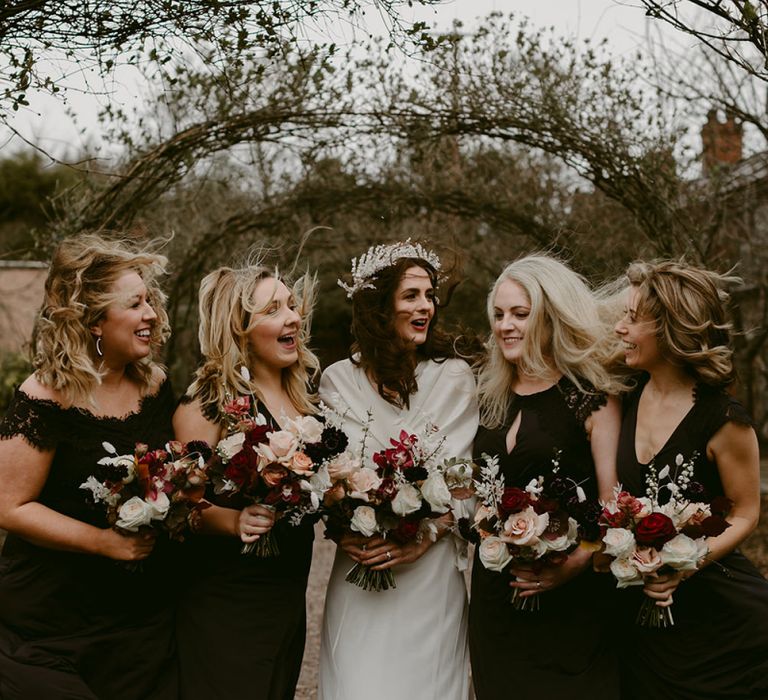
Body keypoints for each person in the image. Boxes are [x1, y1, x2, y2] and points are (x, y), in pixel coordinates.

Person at [0, 233, 177, 699]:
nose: (151, 315)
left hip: (140, 620)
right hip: (50, 623)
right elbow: (10, 506)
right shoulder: (44, 396)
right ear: (96, 321)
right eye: (135, 304)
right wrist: (101, 542)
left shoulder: (156, 385)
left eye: (150, 301)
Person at [317, 240, 478, 700]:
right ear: (379, 305)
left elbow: (466, 488)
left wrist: (424, 537)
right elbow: (326, 480)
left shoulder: (454, 379)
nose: (425, 305)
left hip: (429, 578)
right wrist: (338, 529)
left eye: (429, 295)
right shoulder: (336, 382)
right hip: (361, 570)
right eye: (411, 295)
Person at [469, 254, 623, 699]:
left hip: (571, 605)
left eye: (520, 313)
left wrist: (576, 562)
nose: (505, 326)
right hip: (497, 602)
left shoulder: (591, 399)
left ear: (550, 317)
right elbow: (481, 491)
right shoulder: (489, 397)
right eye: (498, 315)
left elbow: (613, 506)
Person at [612, 260, 768, 699]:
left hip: (723, 628)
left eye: (632, 318)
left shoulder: (723, 420)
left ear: (669, 328)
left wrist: (684, 565)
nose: (620, 328)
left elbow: (747, 512)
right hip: (643, 628)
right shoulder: (624, 396)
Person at [173, 263, 320, 700]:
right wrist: (232, 522)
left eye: (292, 305)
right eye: (273, 309)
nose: (292, 317)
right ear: (239, 328)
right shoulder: (209, 402)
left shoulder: (304, 398)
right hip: (227, 599)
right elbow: (181, 506)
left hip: (286, 595)